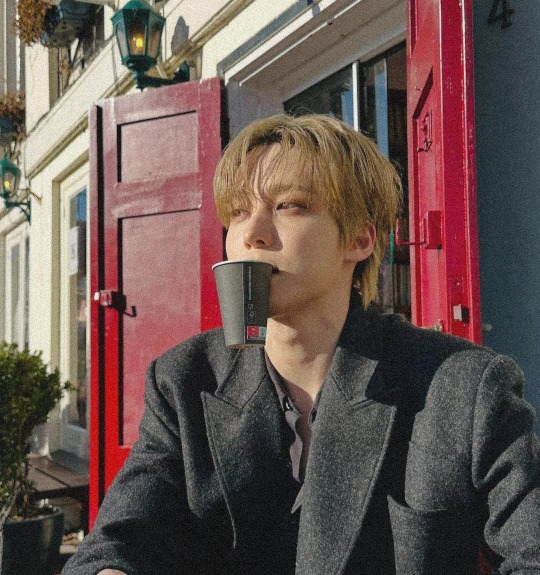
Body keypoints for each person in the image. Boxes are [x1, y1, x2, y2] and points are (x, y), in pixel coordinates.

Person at [63, 114, 540, 575]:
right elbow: (119, 540)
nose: (251, 234)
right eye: (238, 212)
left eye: (288, 205)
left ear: (359, 239)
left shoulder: (464, 388)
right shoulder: (185, 381)